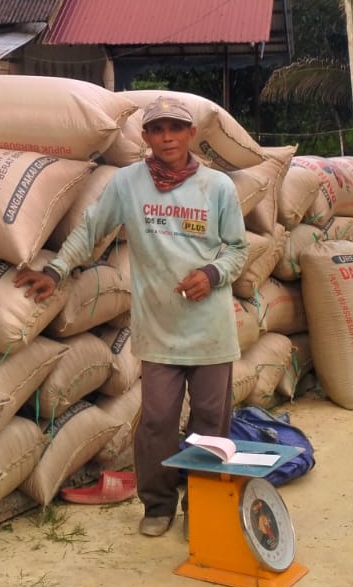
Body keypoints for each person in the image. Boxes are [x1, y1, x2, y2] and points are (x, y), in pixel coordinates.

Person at [15, 96, 248, 536]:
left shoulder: (217, 187)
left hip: (211, 330)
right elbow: (90, 230)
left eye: (175, 129)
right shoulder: (128, 184)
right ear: (145, 136)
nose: (167, 137)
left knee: (210, 426)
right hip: (157, 329)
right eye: (157, 129)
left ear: (191, 134)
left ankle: (202, 508)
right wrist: (56, 270)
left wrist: (212, 273)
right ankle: (158, 505)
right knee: (157, 422)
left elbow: (237, 250)